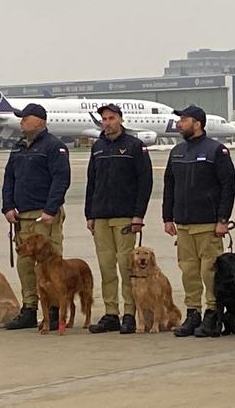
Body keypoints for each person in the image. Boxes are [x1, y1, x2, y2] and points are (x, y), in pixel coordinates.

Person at [163, 105, 235, 338]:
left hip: (208, 224)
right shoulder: (177, 151)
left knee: (209, 272)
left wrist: (223, 219)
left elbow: (228, 186)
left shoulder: (216, 150)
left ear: (197, 123)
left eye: (183, 120)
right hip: (184, 223)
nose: (178, 124)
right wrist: (167, 217)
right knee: (188, 271)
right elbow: (169, 186)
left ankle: (212, 313)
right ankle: (192, 312)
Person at [85, 103, 153, 334]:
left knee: (127, 267)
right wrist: (90, 214)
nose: (107, 122)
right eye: (104, 119)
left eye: (111, 118)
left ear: (121, 120)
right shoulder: (98, 147)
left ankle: (130, 313)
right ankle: (111, 312)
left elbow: (145, 182)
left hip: (125, 216)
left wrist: (138, 214)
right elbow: (91, 182)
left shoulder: (134, 146)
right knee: (106, 268)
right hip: (101, 215)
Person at [2, 103, 70, 330]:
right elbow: (9, 178)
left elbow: (61, 179)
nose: (21, 122)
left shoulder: (54, 147)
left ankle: (52, 311)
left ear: (39, 121)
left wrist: (50, 210)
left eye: (25, 118)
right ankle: (29, 308)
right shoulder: (18, 147)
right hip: (22, 216)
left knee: (50, 265)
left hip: (43, 215)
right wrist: (8, 206)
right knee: (25, 265)